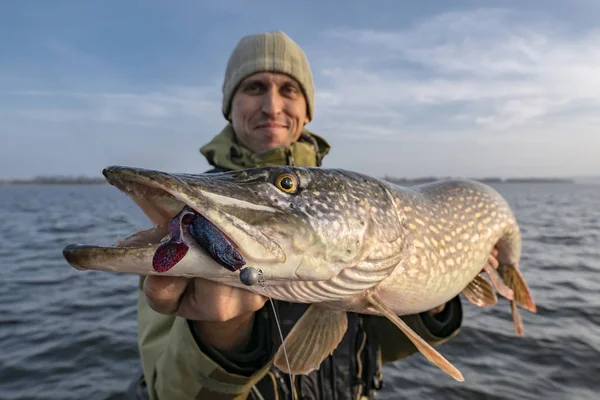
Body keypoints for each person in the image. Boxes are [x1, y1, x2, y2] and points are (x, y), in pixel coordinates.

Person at [128, 31, 501, 400]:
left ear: (307, 111)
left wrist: (435, 298)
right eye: (255, 87)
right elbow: (169, 391)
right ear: (230, 106)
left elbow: (381, 347)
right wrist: (220, 336)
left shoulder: (347, 202)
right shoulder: (186, 224)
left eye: (289, 90)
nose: (272, 107)